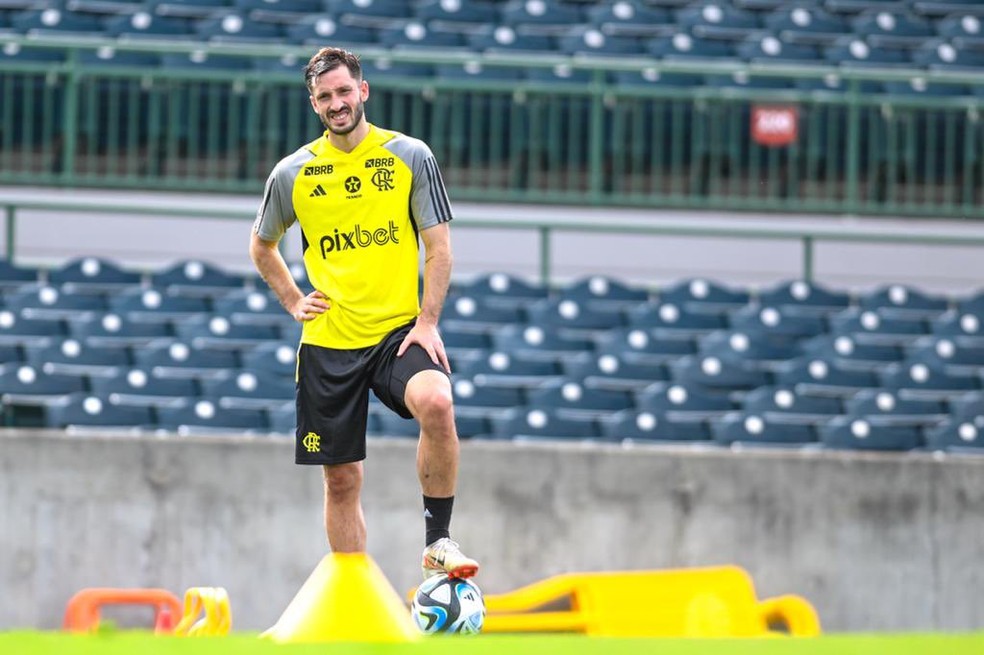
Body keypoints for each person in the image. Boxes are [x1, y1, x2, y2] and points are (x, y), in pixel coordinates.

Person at [249, 46, 478, 581]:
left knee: (438, 403)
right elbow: (262, 246)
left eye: (344, 91)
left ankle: (438, 542)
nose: (336, 103)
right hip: (329, 341)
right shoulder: (293, 173)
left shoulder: (409, 155)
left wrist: (427, 321)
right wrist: (293, 300)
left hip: (398, 332)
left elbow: (439, 249)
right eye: (324, 96)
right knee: (341, 480)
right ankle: (353, 594)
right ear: (313, 103)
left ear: (363, 91)